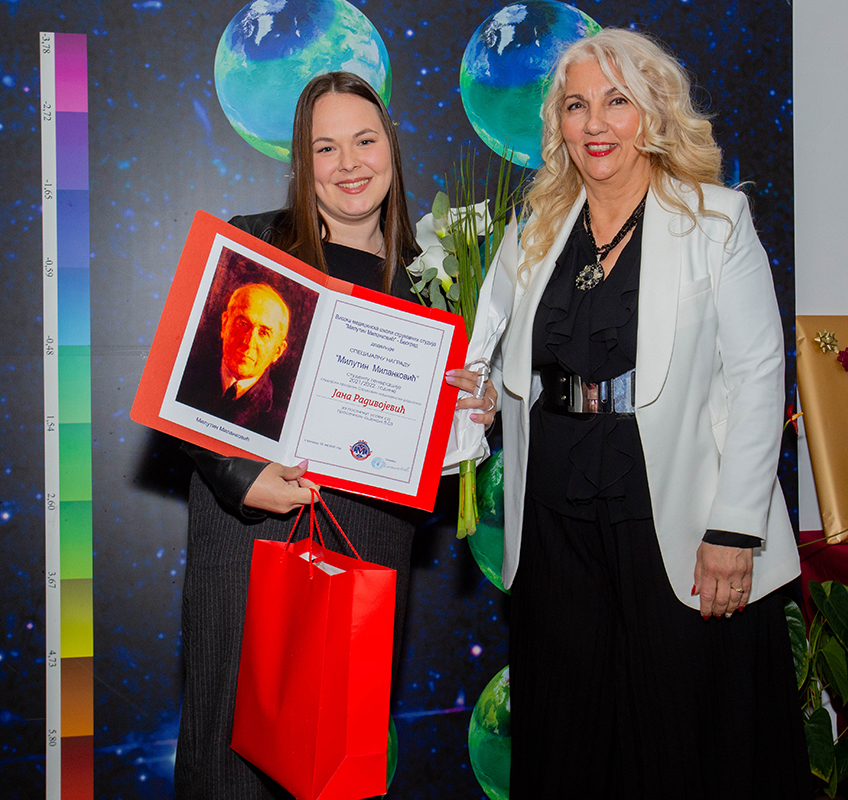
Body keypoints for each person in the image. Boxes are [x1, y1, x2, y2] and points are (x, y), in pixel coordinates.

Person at [486, 29, 811, 798]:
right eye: (576, 106)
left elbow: (759, 375)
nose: (595, 123)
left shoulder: (715, 220)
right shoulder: (532, 234)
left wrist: (735, 530)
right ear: (559, 125)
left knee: (686, 748)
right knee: (569, 750)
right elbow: (495, 363)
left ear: (654, 112)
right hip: (556, 533)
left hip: (680, 526)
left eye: (616, 101)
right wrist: (478, 393)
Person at [173, 71, 496, 799]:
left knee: (334, 768)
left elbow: (437, 441)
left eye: (364, 141)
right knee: (227, 763)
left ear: (391, 149)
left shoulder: (436, 278)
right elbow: (186, 394)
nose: (349, 164)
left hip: (367, 544)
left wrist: (472, 414)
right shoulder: (255, 241)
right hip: (249, 538)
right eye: (326, 148)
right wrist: (242, 478)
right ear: (302, 160)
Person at [176, 282, 291, 439]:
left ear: (278, 351)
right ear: (224, 324)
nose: (249, 342)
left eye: (264, 333)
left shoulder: (281, 419)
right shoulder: (182, 376)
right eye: (243, 324)